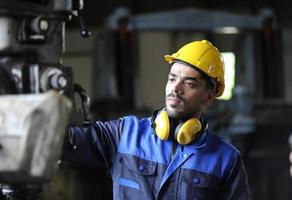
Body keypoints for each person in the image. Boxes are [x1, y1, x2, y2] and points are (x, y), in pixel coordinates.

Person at [62, 40, 251, 199]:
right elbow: (63, 141)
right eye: (172, 78)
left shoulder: (226, 159)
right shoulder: (125, 134)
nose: (175, 88)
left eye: (189, 83)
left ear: (208, 97)